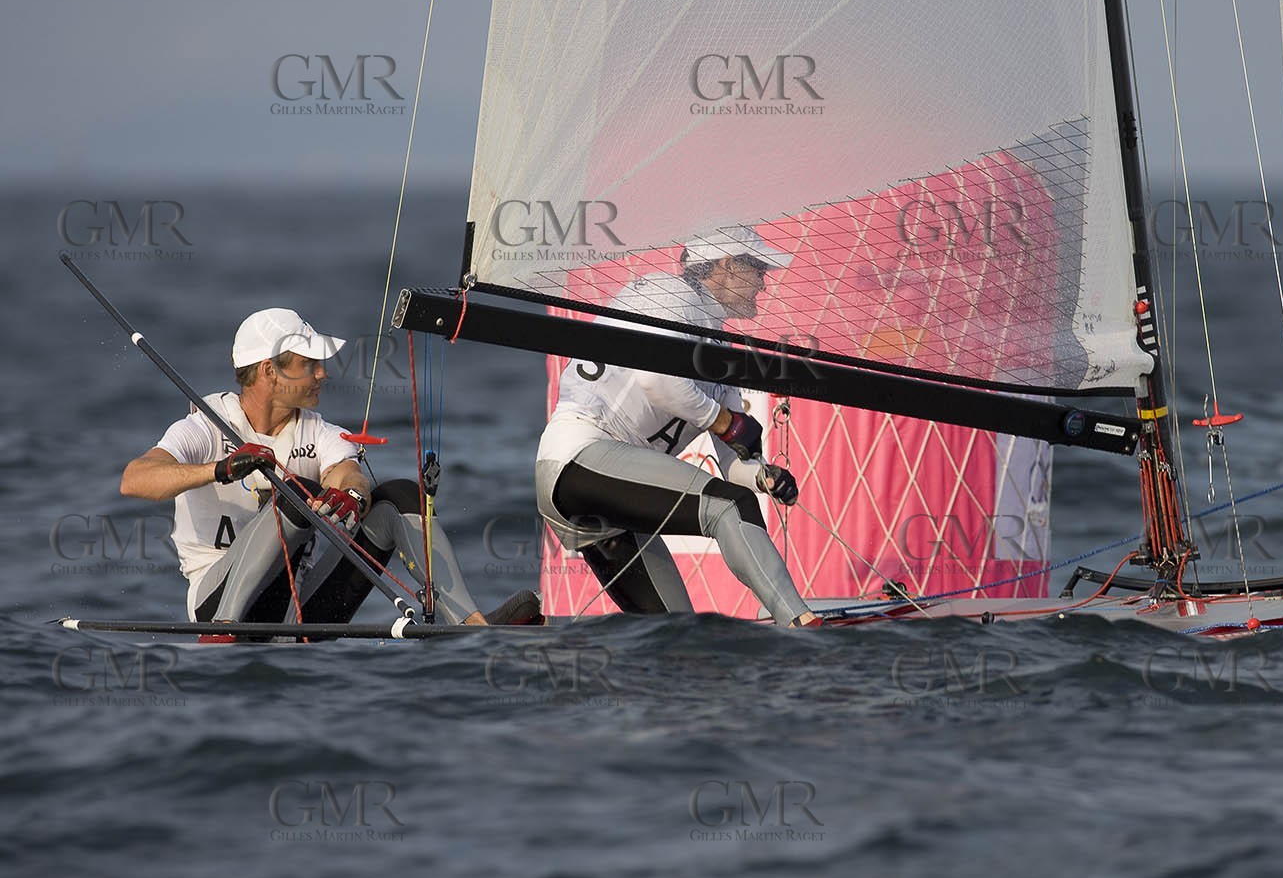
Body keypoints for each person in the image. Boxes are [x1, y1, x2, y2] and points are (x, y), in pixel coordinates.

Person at [121, 308, 502, 633]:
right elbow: (135, 480)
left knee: (400, 495)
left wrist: (352, 493)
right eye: (309, 365)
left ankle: (472, 628)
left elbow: (346, 471)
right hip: (215, 602)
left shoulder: (319, 431)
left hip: (299, 608)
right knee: (296, 491)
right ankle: (224, 632)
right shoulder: (206, 424)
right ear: (270, 371)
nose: (322, 374)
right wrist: (221, 469)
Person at [535, 226, 819, 626]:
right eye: (758, 271)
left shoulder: (718, 346)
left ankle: (519, 621)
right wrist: (724, 422)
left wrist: (762, 476)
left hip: (603, 499)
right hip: (579, 457)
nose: (763, 284)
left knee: (677, 638)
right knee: (728, 507)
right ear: (726, 266)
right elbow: (658, 381)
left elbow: (731, 464)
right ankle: (801, 624)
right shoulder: (669, 294)